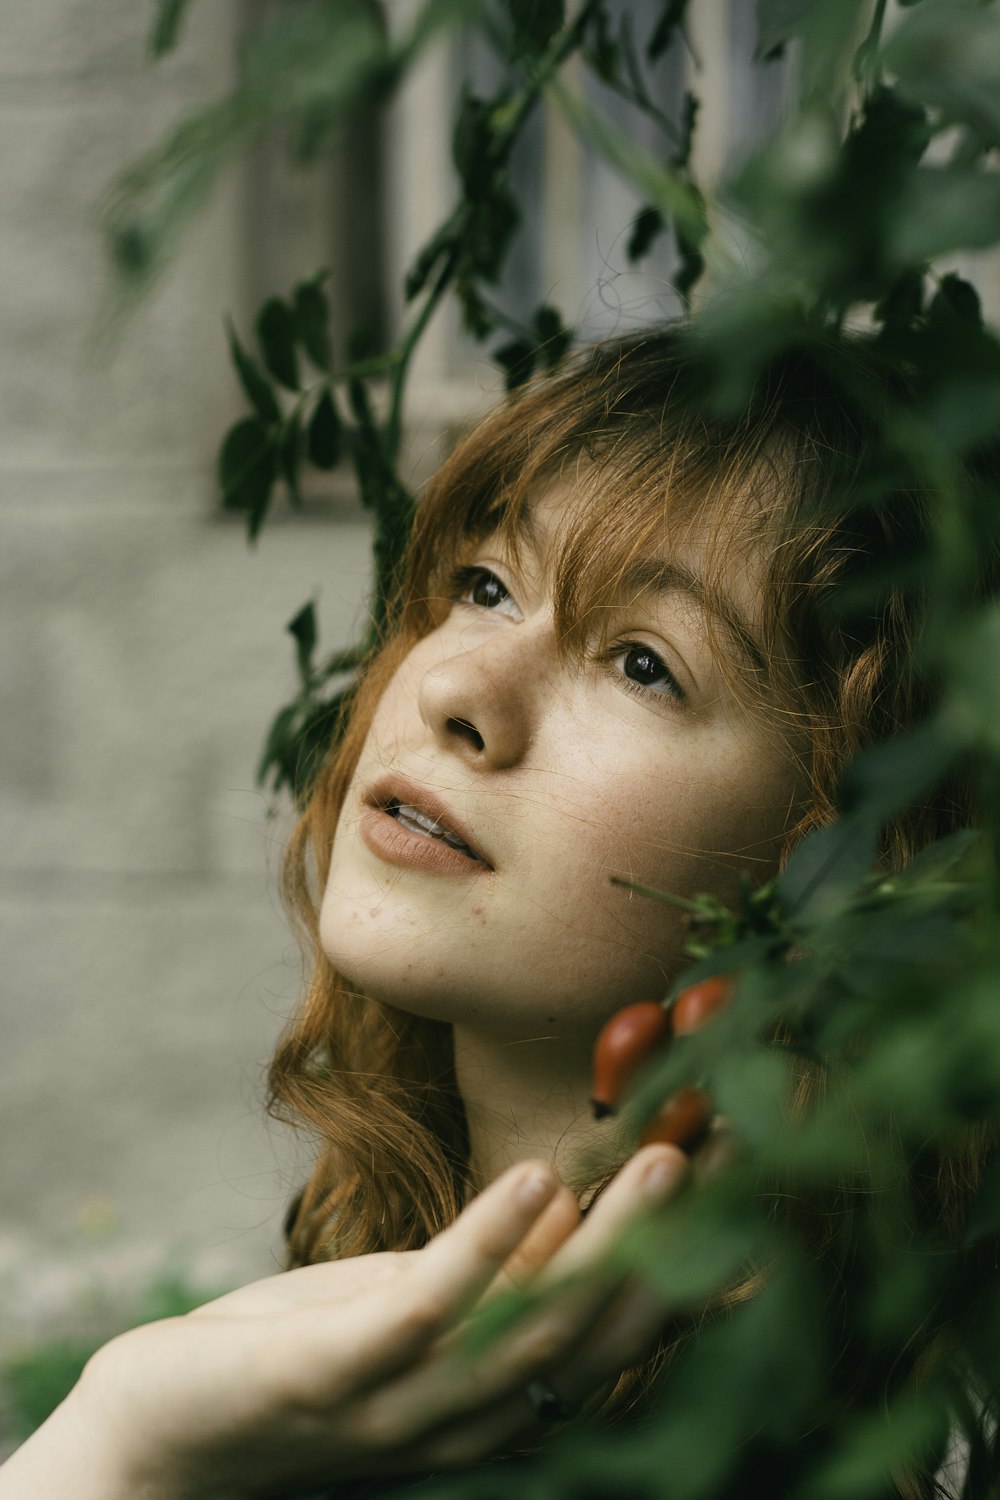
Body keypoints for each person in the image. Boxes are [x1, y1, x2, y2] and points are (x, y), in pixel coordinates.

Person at [1, 330, 992, 1499]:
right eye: (484, 586)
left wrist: (124, 1448)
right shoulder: (357, 1362)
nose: (456, 688)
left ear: (852, 849)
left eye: (640, 663)